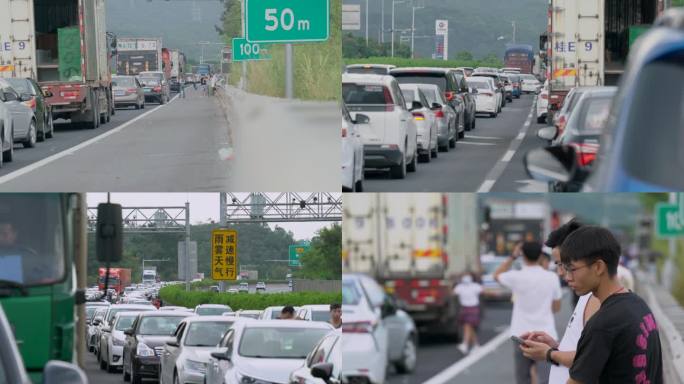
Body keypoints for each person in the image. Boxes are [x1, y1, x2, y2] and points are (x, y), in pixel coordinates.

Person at [560, 226, 662, 384]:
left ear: (598, 267)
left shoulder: (602, 324)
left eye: (571, 269)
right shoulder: (640, 306)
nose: (567, 277)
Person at [519, 220, 602, 384]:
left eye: (563, 264)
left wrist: (549, 353)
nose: (560, 272)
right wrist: (556, 346)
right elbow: (583, 351)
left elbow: (591, 360)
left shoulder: (595, 300)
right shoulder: (586, 295)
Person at [494, 241, 562, 384]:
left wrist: (513, 256)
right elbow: (556, 307)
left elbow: (496, 275)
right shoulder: (551, 277)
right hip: (546, 335)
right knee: (547, 379)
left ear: (522, 255)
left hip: (521, 333)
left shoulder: (516, 276)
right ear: (540, 256)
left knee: (523, 378)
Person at [453, 272, 483, 354]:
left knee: (467, 325)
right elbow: (453, 293)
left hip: (473, 308)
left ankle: (465, 344)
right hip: (465, 309)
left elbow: (483, 291)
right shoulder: (459, 287)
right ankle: (476, 345)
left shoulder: (475, 286)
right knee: (469, 327)